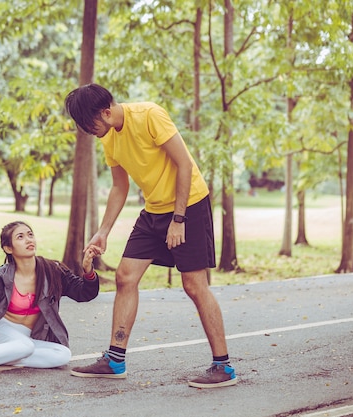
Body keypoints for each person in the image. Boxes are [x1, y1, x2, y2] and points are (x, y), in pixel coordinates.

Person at [63, 83, 237, 388]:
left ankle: (223, 366)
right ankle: (115, 359)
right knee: (125, 275)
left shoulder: (149, 115)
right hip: (154, 209)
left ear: (105, 111)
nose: (88, 131)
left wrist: (179, 218)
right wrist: (103, 231)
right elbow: (120, 186)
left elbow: (184, 164)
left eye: (89, 124)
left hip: (189, 205)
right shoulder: (109, 138)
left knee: (194, 285)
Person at [0, 221, 102, 378]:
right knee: (25, 346)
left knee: (63, 355)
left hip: (29, 337)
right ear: (8, 248)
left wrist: (88, 269)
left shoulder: (52, 271)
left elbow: (84, 294)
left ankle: (6, 357)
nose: (28, 240)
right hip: (3, 332)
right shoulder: (2, 276)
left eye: (30, 234)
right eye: (20, 237)